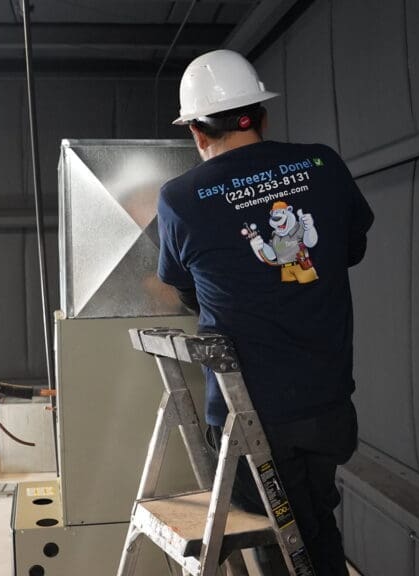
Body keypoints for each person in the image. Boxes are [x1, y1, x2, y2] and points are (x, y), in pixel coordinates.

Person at [156, 49, 374, 576]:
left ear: (197, 133)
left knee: (283, 538)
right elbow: (352, 247)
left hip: (249, 421)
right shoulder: (323, 163)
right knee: (312, 523)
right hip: (329, 407)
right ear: (262, 114)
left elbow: (182, 289)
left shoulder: (180, 198)